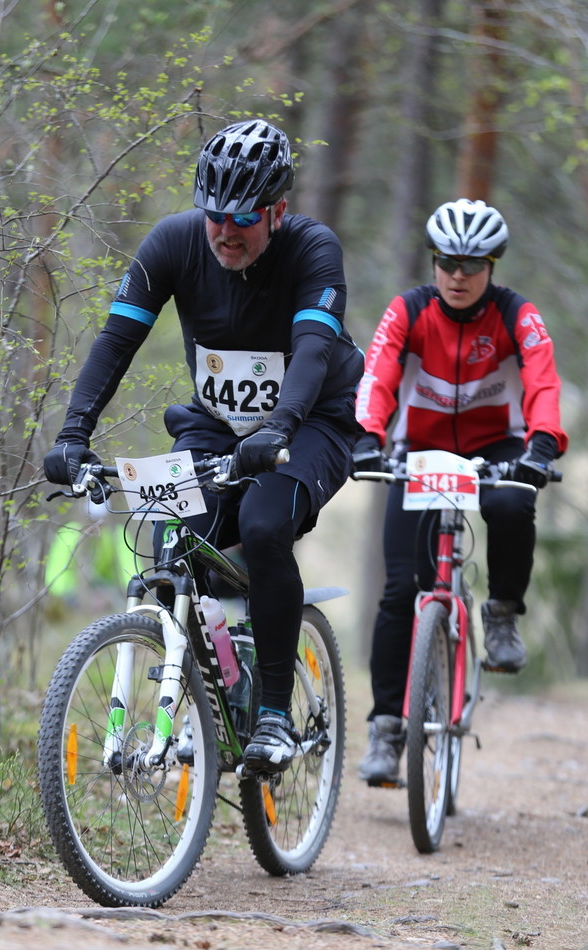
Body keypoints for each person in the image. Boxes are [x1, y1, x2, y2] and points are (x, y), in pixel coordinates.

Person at [43, 119, 363, 773]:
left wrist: (277, 428)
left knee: (265, 523)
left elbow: (311, 352)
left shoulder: (312, 250)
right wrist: (74, 432)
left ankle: (274, 713)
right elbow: (115, 342)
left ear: (276, 210)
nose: (224, 231)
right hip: (216, 423)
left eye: (243, 218)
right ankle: (209, 693)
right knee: (170, 538)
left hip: (313, 421)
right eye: (213, 214)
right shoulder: (174, 242)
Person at [353, 197, 568, 786]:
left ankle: (500, 613)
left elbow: (544, 380)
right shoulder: (409, 310)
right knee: (400, 592)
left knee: (511, 500)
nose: (457, 276)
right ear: (434, 261)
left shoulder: (516, 314)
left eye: (472, 265)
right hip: (417, 454)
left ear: (492, 266)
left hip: (496, 447)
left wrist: (543, 446)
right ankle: (386, 728)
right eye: (447, 262)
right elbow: (377, 375)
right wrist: (367, 437)